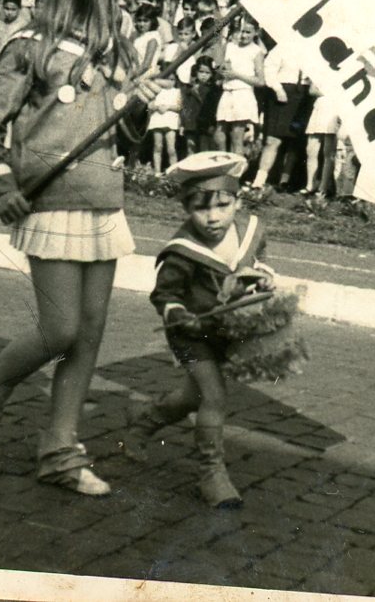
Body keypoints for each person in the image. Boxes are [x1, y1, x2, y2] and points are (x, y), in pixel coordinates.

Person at [0, 0, 162, 496]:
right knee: (60, 330)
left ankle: (60, 453)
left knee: (89, 334)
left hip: (102, 200)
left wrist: (138, 103)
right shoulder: (32, 42)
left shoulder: (120, 50)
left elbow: (122, 135)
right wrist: (1, 187)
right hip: (49, 201)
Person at [126, 151, 275, 508]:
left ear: (238, 202)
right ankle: (211, 473)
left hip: (227, 328)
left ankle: (144, 422)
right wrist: (177, 312)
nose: (213, 217)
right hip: (190, 332)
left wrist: (262, 278)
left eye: (223, 205)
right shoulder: (182, 251)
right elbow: (164, 295)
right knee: (214, 396)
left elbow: (258, 263)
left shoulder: (250, 232)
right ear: (185, 208)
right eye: (200, 207)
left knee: (192, 397)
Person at [249, 39, 312, 198]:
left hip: (304, 95)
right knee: (273, 140)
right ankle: (259, 181)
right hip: (283, 93)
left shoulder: (314, 51)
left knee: (295, 141)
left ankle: (284, 181)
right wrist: (278, 89)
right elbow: (269, 70)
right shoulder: (282, 48)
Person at [214, 12, 265, 155]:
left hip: (243, 94)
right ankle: (223, 162)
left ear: (255, 33)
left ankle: (237, 167)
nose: (243, 35)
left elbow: (260, 81)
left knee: (237, 137)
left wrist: (236, 75)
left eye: (248, 32)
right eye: (241, 31)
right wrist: (222, 70)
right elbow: (220, 68)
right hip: (227, 92)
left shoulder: (256, 51)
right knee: (219, 132)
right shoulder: (230, 46)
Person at [181, 54, 220, 156]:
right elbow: (185, 106)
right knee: (190, 147)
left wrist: (212, 124)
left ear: (212, 74)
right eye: (201, 72)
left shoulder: (212, 89)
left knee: (204, 148)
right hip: (191, 123)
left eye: (207, 73)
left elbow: (213, 108)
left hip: (205, 124)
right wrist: (182, 124)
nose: (203, 75)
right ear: (196, 71)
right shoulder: (189, 88)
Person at [147, 68, 182, 174]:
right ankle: (157, 171)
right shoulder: (156, 91)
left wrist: (168, 107)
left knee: (171, 148)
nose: (170, 82)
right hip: (157, 119)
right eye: (167, 79)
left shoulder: (176, 91)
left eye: (172, 79)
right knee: (158, 146)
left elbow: (179, 106)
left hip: (170, 121)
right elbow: (150, 105)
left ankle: (174, 172)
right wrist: (157, 107)